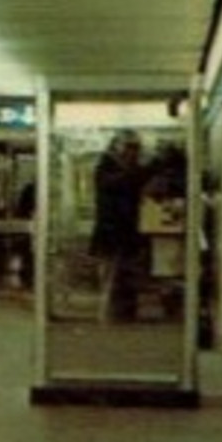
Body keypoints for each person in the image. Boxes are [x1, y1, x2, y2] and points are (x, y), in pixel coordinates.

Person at [89, 128, 150, 323]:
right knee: (111, 276)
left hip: (125, 233)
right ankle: (109, 315)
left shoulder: (123, 170)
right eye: (130, 148)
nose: (134, 154)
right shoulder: (108, 169)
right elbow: (121, 184)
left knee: (125, 276)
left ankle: (123, 313)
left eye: (136, 149)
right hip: (112, 232)